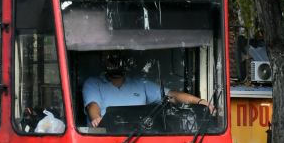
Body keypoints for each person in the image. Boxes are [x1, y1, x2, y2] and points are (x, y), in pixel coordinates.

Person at [82, 51, 213, 127]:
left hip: (139, 140)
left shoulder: (141, 83)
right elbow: (92, 106)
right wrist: (97, 119)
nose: (115, 62)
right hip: (105, 140)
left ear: (125, 61)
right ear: (101, 63)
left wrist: (201, 102)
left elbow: (172, 95)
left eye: (118, 58)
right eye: (110, 59)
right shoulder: (93, 83)